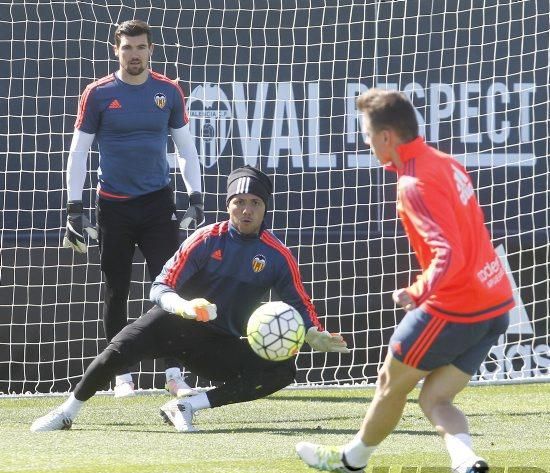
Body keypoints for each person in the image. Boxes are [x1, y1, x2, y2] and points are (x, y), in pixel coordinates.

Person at [296, 88, 514, 473]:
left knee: (388, 384)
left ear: (387, 137)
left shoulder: (413, 183)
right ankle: (466, 463)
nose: (364, 141)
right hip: (495, 303)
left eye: (366, 133)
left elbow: (448, 254)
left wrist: (415, 291)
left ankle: (352, 462)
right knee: (434, 398)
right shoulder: (445, 162)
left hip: (455, 306)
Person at [32, 165, 349, 433]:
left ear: (265, 207)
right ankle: (67, 413)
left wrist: (312, 333)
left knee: (282, 371)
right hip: (171, 324)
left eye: (255, 202)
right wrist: (184, 306)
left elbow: (300, 303)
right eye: (239, 201)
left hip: (216, 344)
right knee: (116, 351)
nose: (247, 210)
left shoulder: (277, 256)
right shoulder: (206, 239)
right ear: (228, 205)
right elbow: (159, 287)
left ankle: (187, 405)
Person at [63, 20, 204, 398]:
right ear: (116, 50)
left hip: (158, 206)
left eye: (140, 47)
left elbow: (185, 149)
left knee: (170, 290)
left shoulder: (168, 91)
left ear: (151, 50)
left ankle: (174, 373)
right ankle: (120, 376)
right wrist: (74, 208)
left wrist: (196, 197)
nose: (134, 54)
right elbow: (78, 153)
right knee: (116, 291)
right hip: (114, 208)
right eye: (127, 48)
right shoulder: (97, 94)